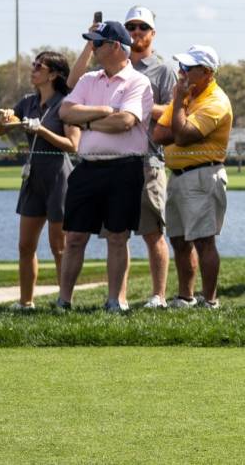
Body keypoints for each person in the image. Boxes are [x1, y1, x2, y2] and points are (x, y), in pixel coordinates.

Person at [74, 6, 177, 308]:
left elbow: (173, 113)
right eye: (131, 27)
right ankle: (118, 298)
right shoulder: (108, 67)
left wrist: (137, 105)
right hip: (113, 162)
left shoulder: (163, 69)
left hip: (149, 160)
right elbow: (74, 84)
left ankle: (158, 296)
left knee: (152, 231)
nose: (136, 32)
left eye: (142, 27)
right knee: (116, 234)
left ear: (152, 33)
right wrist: (90, 40)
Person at [57, 21, 155, 312]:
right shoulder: (88, 80)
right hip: (87, 168)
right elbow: (65, 111)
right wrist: (100, 114)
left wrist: (84, 119)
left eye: (97, 43)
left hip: (124, 169)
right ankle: (64, 300)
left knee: (117, 235)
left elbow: (125, 122)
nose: (93, 48)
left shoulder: (138, 82)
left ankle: (115, 300)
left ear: (115, 47)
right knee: (74, 237)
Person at [0, 51, 80, 309]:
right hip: (33, 178)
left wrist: (40, 130)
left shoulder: (66, 104)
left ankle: (64, 301)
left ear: (53, 74)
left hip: (58, 177)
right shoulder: (28, 102)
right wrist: (4, 119)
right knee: (25, 245)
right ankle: (25, 303)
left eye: (38, 66)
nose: (33, 70)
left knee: (59, 246)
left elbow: (73, 145)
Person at [152, 45, 232, 308]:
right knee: (179, 239)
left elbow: (184, 136)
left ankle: (210, 301)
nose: (181, 72)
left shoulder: (215, 101)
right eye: (181, 67)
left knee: (203, 240)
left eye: (188, 68)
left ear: (207, 72)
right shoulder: (186, 97)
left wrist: (179, 111)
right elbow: (160, 135)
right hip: (178, 175)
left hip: (203, 176)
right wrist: (180, 109)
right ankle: (186, 297)